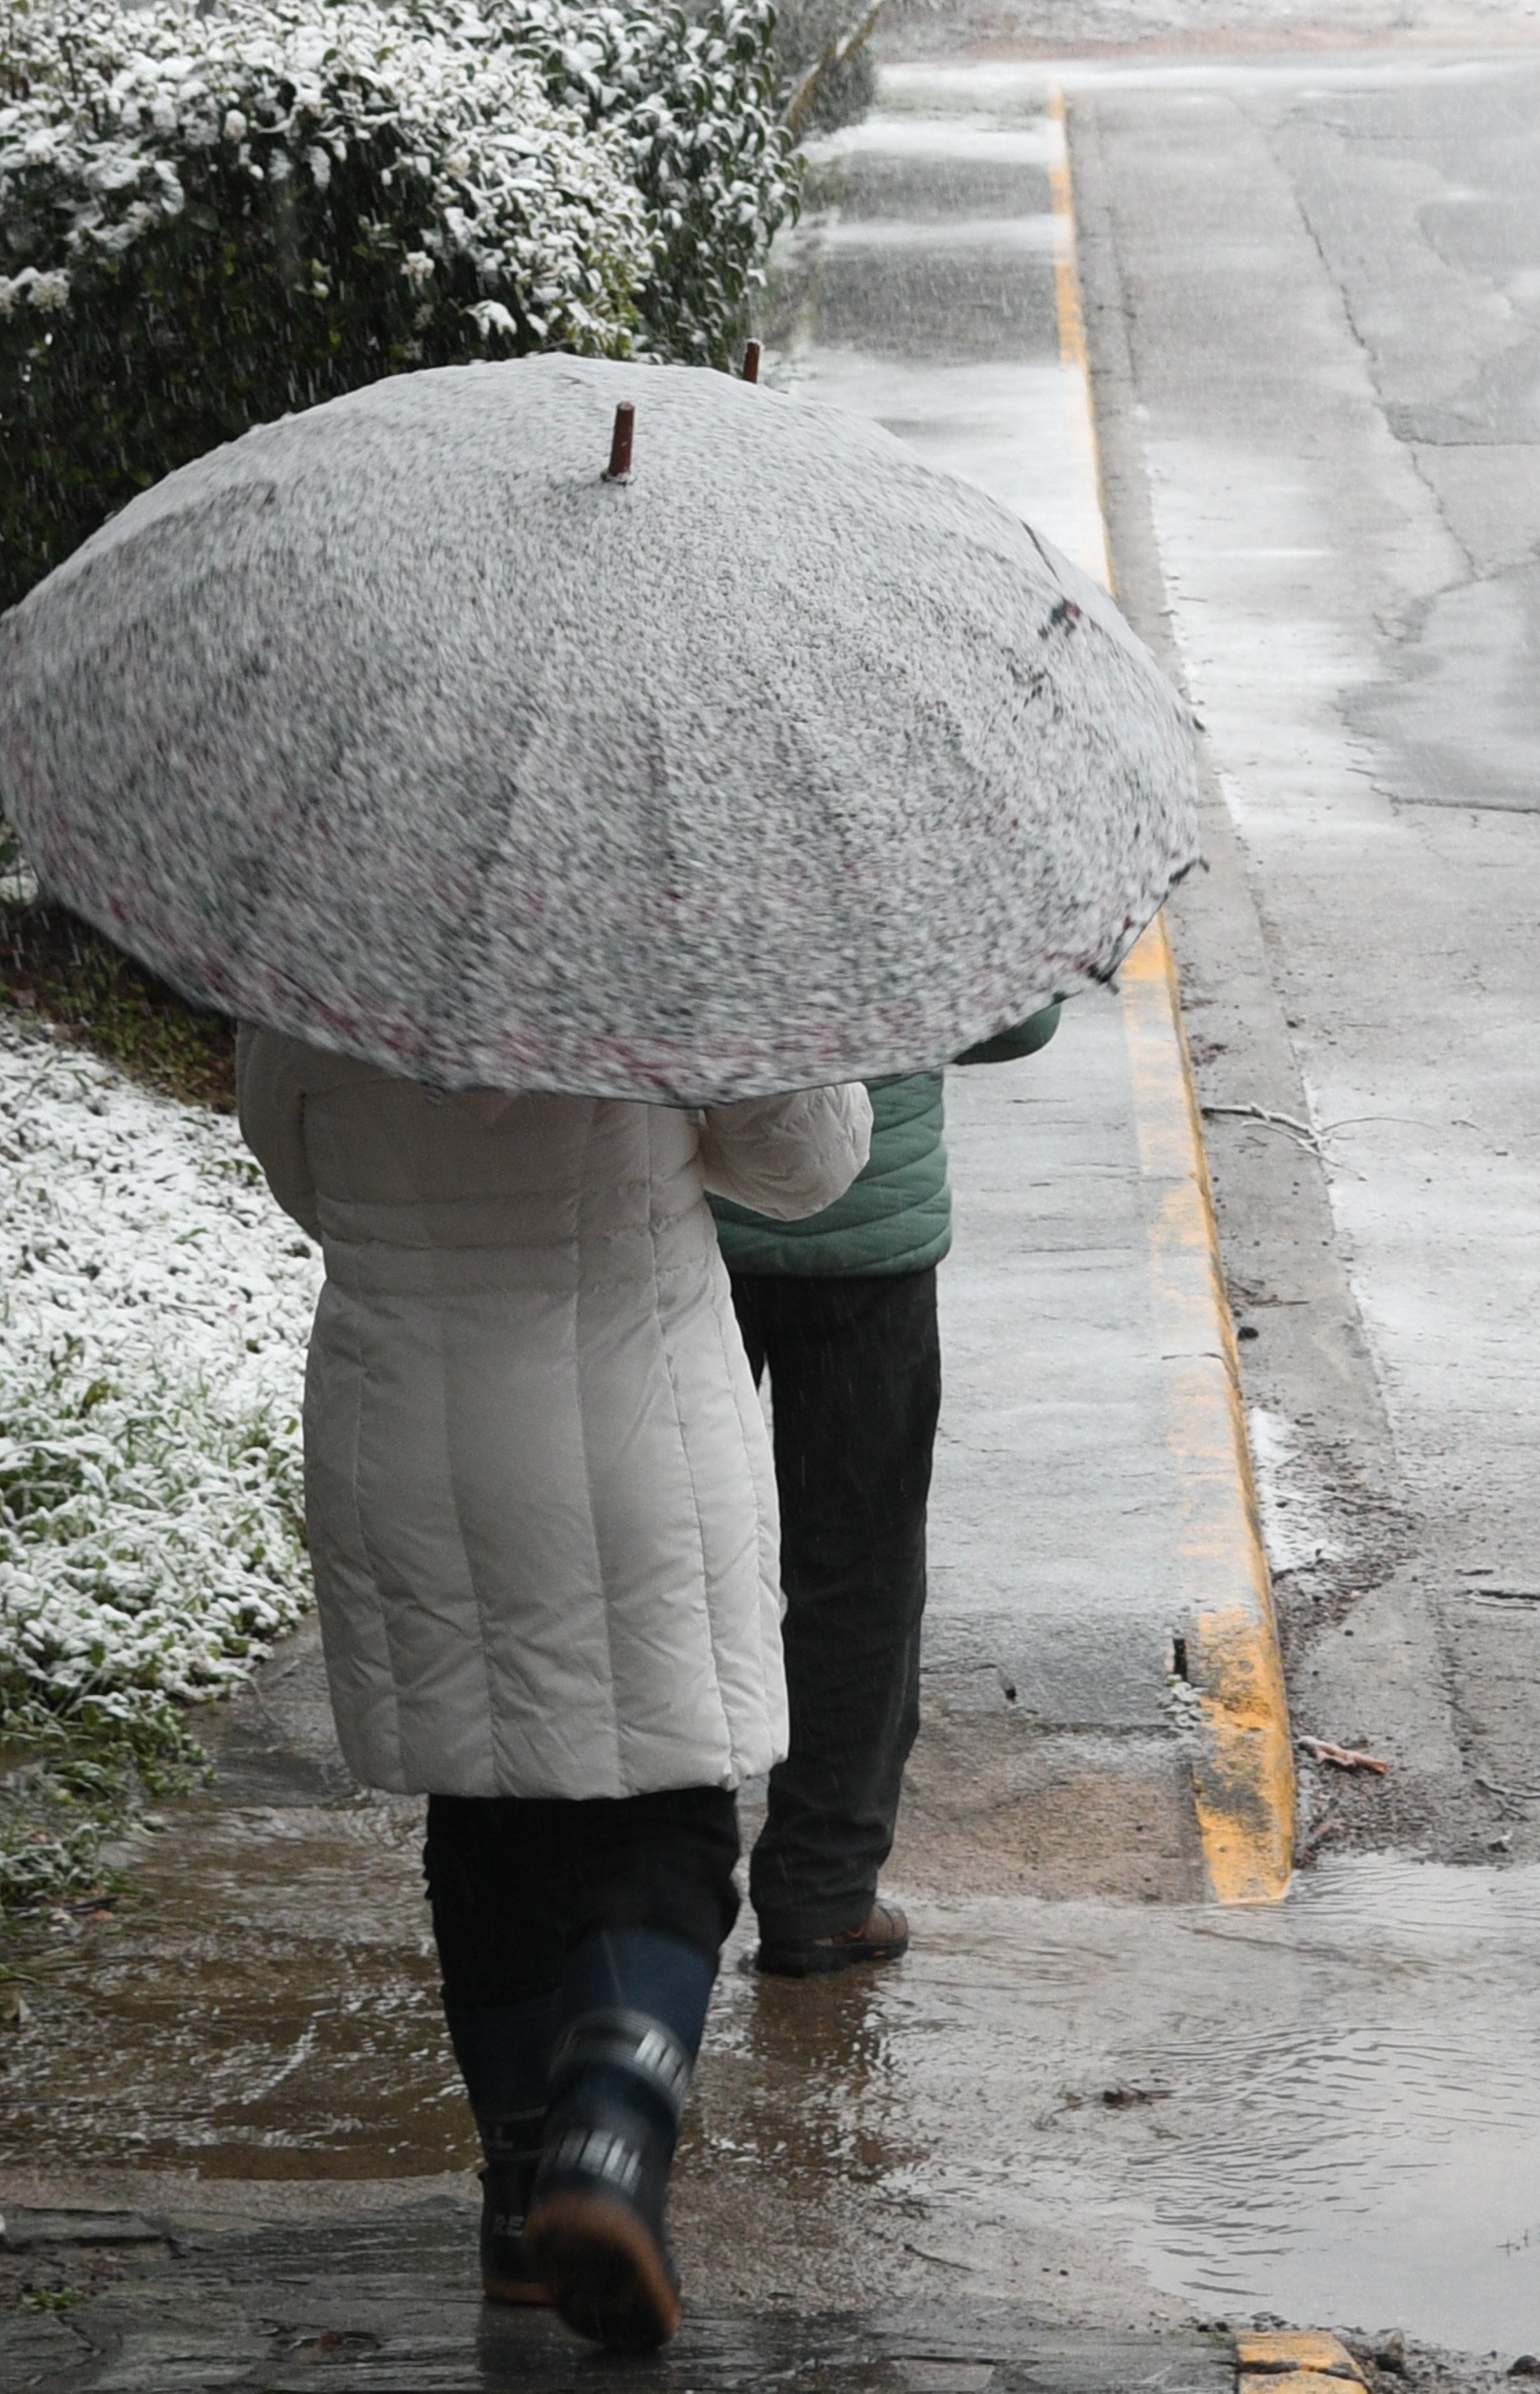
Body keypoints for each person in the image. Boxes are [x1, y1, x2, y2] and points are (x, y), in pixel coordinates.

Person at [235, 1031, 869, 2351]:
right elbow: (809, 1167)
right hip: (628, 1413)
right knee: (666, 1815)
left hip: (402, 1425)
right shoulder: (658, 939)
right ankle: (609, 2137)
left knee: (484, 1804)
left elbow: (299, 1169)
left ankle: (524, 2205)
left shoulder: (317, 951)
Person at [710, 1005, 1059, 1977]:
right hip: (865, 1245)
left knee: (677, 1559)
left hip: (676, 1245)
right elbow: (1014, 1021)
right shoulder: (893, 856)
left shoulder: (637, 856)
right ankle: (822, 1896)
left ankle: (668, 1884)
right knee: (855, 1571)